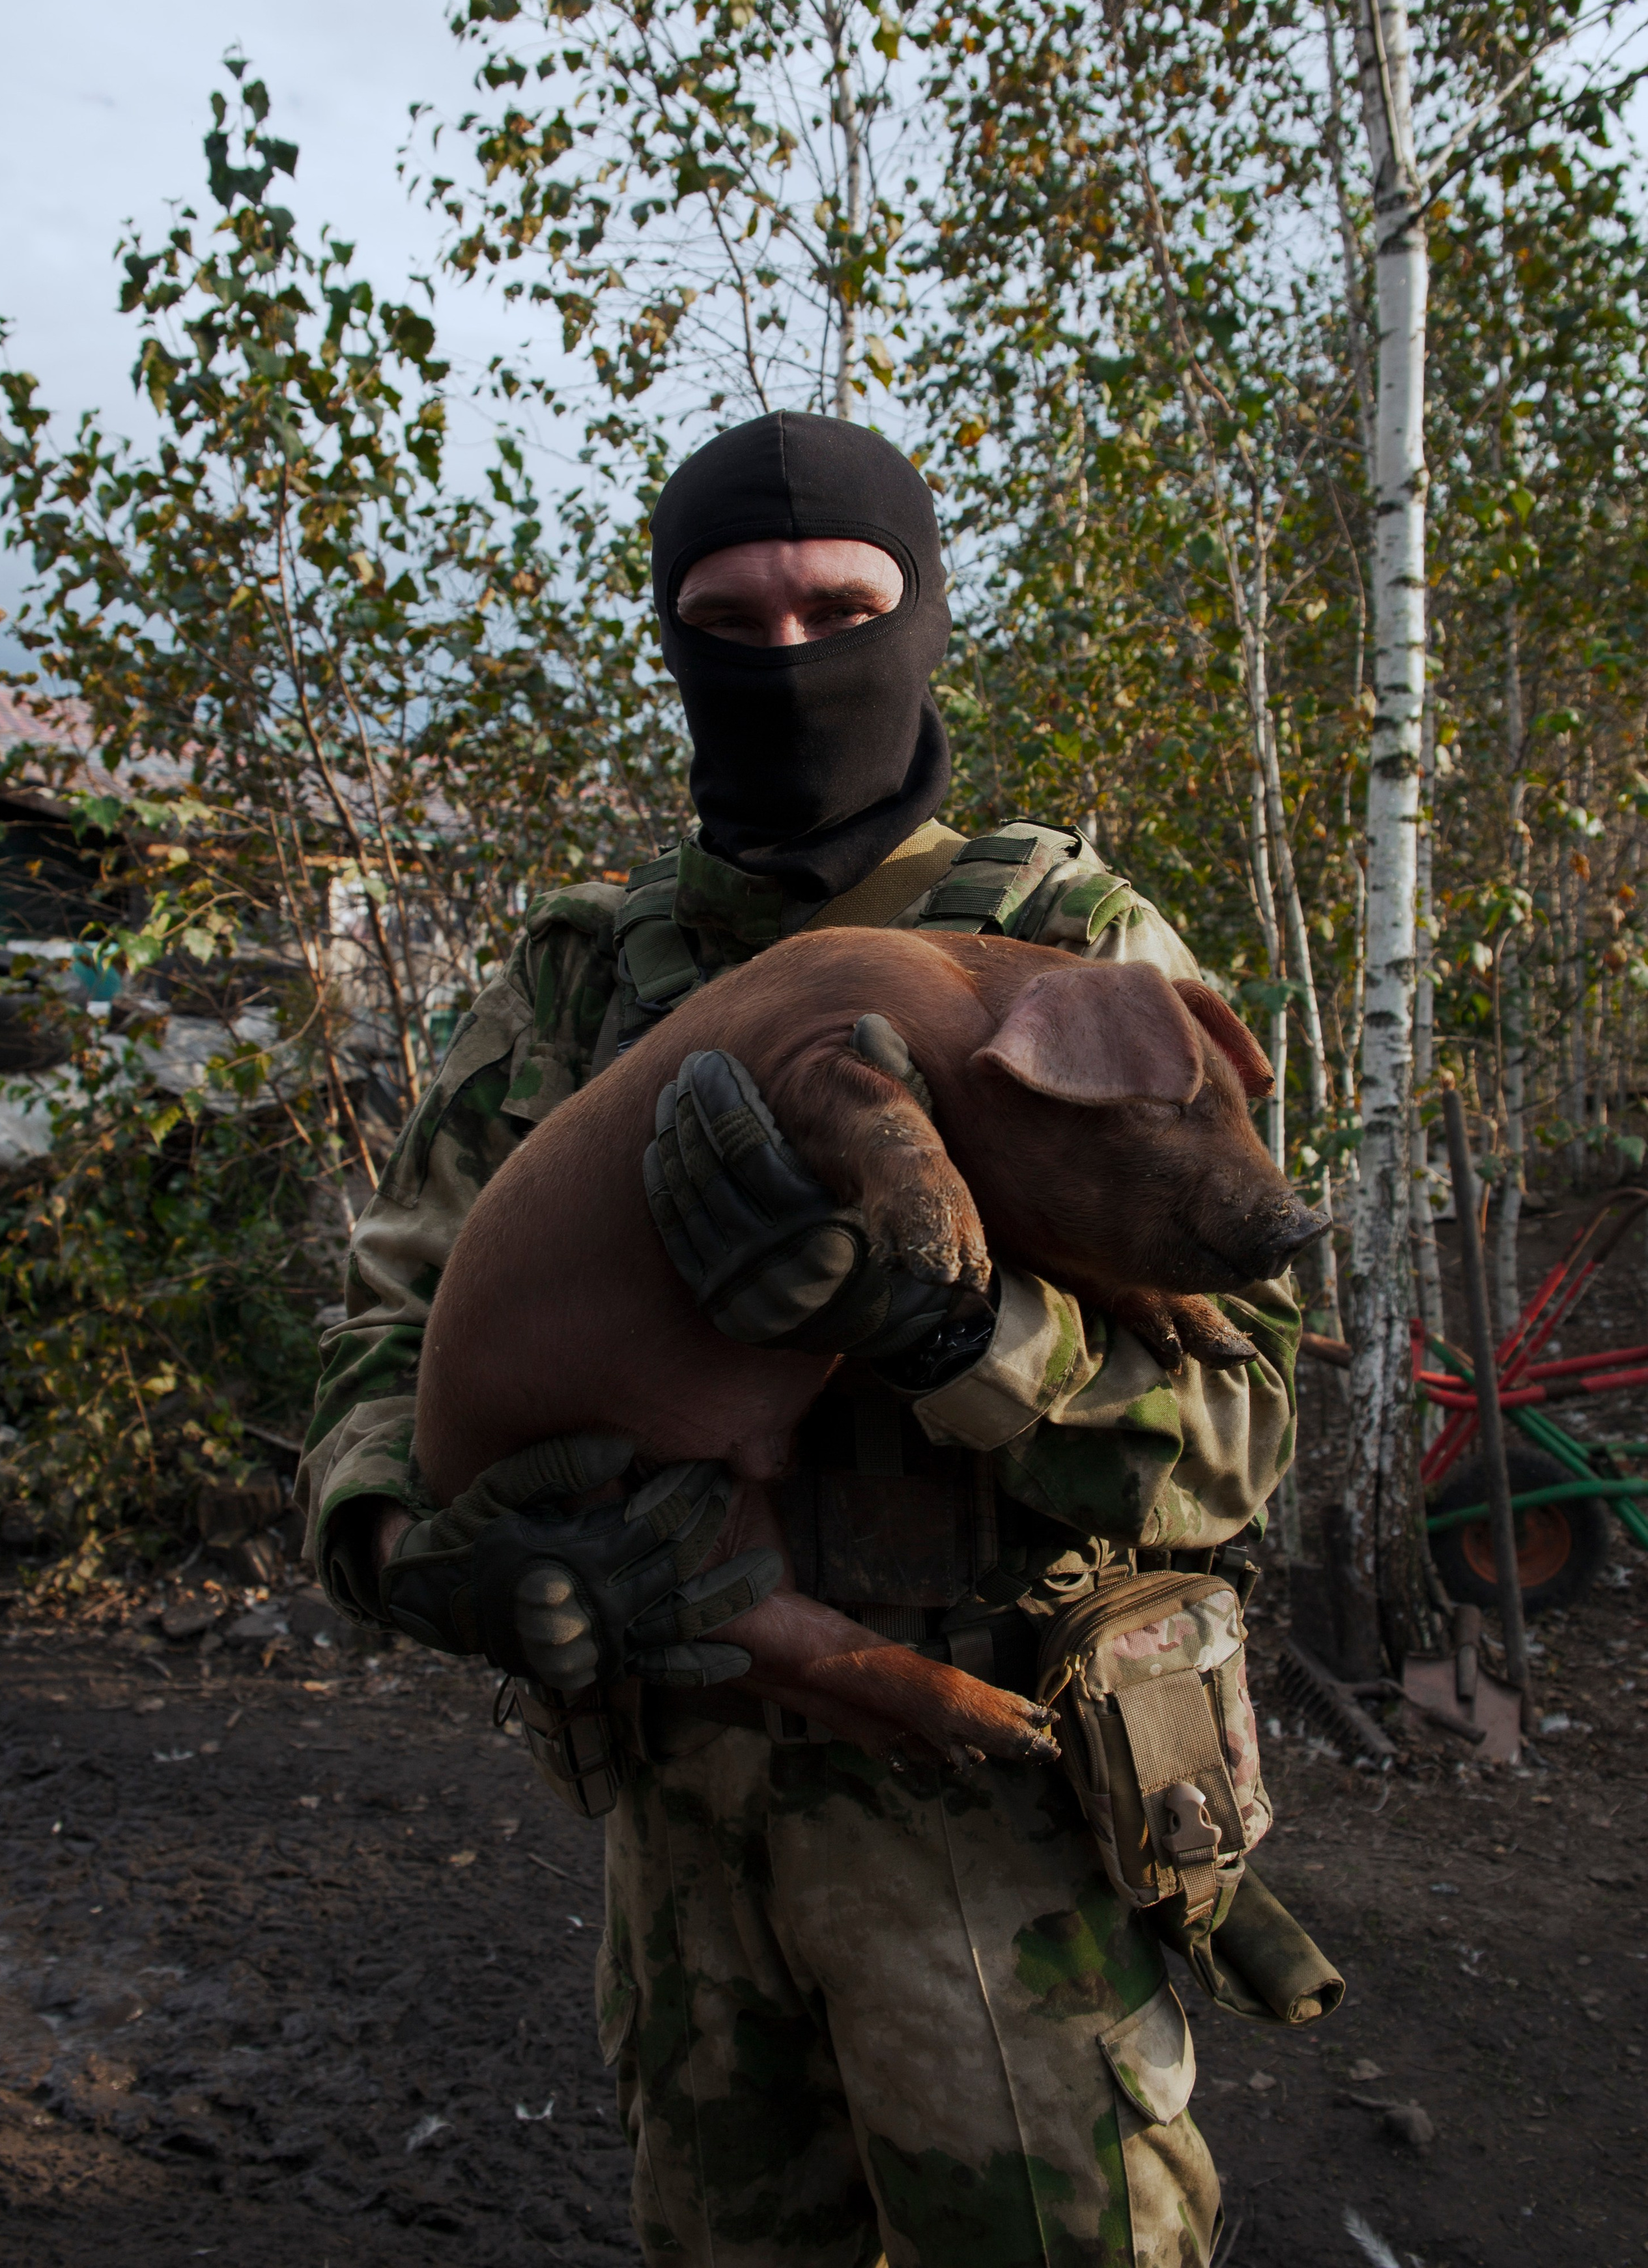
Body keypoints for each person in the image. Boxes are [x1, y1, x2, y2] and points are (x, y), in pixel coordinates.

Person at [300, 410, 1300, 2268]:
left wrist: (954, 1326)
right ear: (671, 644)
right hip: (688, 1860)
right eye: (731, 620)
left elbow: (1249, 1432)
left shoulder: (1072, 944)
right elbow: (380, 1362)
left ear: (927, 616)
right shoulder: (581, 986)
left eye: (841, 606)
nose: (789, 661)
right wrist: (451, 1554)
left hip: (1005, 1853)